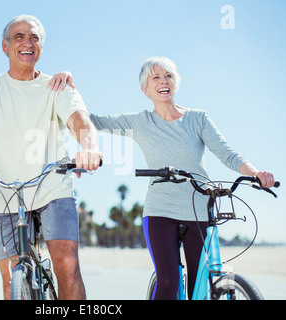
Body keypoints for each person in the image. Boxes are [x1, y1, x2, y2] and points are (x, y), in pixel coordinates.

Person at [0, 14, 102, 300]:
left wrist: (88, 148)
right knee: (10, 278)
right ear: (5, 46)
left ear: (41, 47)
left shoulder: (58, 87)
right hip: (3, 193)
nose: (28, 43)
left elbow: (80, 121)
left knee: (67, 264)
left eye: (34, 38)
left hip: (52, 188)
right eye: (19, 37)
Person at [89, 56, 275, 300]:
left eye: (168, 76)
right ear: (145, 89)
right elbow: (96, 121)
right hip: (160, 210)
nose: (163, 81)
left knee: (200, 285)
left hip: (198, 208)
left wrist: (255, 172)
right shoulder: (141, 121)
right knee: (168, 281)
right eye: (155, 77)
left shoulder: (198, 119)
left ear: (175, 83)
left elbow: (227, 153)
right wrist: (65, 101)